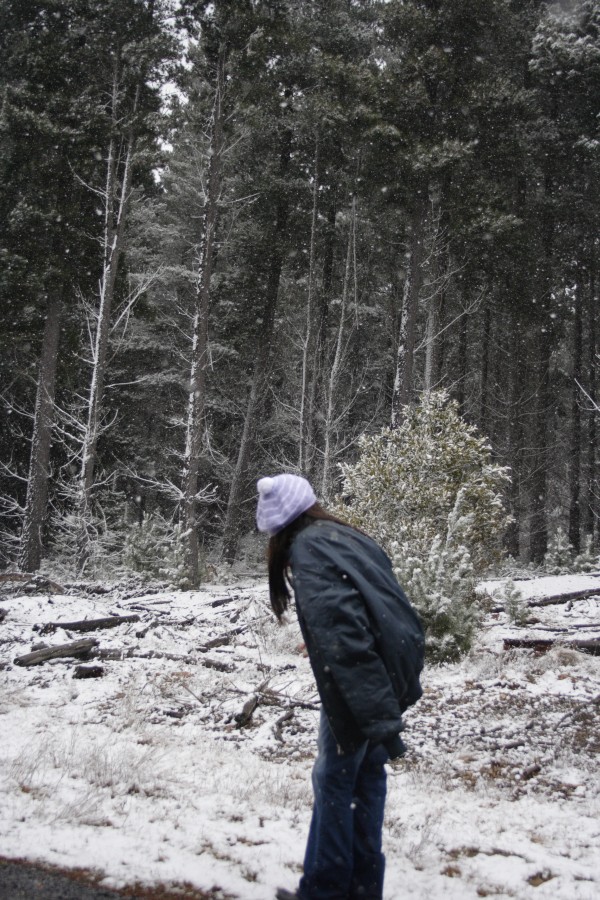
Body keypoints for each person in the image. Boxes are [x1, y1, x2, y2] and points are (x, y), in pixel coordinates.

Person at [255, 474, 425, 900]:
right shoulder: (340, 534)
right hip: (392, 662)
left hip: (363, 675)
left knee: (334, 778)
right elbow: (364, 606)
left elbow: (346, 635)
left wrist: (375, 713)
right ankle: (361, 888)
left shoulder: (309, 548)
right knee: (365, 777)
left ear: (279, 528)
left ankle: (326, 890)